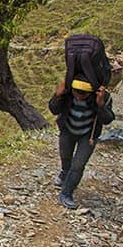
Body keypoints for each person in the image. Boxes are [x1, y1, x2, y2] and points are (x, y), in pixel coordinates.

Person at [48, 75, 114, 209]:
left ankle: (67, 193)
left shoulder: (102, 96)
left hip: (88, 135)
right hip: (68, 130)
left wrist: (100, 104)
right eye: (76, 92)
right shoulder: (67, 92)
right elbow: (54, 109)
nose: (78, 96)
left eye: (83, 94)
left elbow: (108, 119)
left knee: (78, 164)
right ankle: (65, 173)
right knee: (65, 156)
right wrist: (58, 95)